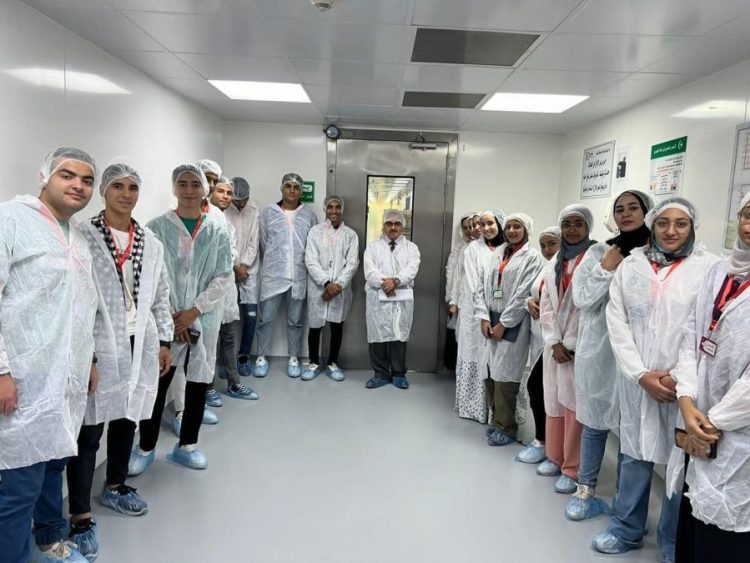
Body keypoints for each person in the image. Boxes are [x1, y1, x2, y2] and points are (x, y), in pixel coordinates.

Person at [592, 197, 719, 563]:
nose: (671, 231)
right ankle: (627, 528)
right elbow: (617, 322)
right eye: (663, 223)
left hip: (685, 387)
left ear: (692, 227)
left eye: (681, 223)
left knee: (680, 466)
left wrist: (680, 379)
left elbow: (706, 329)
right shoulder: (631, 266)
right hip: (638, 382)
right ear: (652, 225)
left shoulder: (710, 268)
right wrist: (640, 374)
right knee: (634, 454)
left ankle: (672, 542)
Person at [66, 164, 174, 560]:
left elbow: (160, 295)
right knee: (89, 428)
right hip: (97, 342)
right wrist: (89, 356)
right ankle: (80, 514)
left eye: (132, 187)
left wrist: (164, 340)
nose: (126, 194)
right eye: (117, 186)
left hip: (138, 341)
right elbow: (76, 299)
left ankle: (114, 485)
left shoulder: (150, 242)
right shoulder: (83, 236)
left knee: (128, 416)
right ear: (104, 192)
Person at [0, 147, 99, 563]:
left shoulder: (77, 237)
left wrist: (90, 361)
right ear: (45, 176)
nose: (78, 186)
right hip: (23, 380)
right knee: (18, 485)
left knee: (54, 464)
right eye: (67, 175)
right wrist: (1, 372)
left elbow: (85, 305)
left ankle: (50, 539)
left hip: (65, 380)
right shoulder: (11, 219)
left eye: (87, 180)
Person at [128, 164, 232, 473]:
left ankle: (187, 445)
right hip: (167, 321)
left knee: (198, 383)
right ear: (174, 188)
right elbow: (151, 277)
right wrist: (174, 319)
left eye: (195, 184)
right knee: (158, 384)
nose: (188, 190)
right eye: (182, 184)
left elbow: (223, 276)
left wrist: (193, 312)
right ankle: (145, 447)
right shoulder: (156, 228)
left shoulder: (216, 230)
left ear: (205, 190)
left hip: (204, 318)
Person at [669, 192, 750, 563]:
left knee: (727, 532)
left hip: (735, 431)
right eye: (747, 213)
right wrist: (687, 403)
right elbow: (691, 337)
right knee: (693, 522)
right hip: (697, 420)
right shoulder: (718, 272)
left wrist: (712, 420)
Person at [565, 190, 654, 521]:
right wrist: (605, 269)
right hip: (600, 350)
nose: (626, 214)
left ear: (647, 211)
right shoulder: (600, 252)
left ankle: (624, 503)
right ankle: (585, 490)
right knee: (595, 421)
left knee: (633, 430)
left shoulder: (655, 255)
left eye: (633, 208)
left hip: (639, 353)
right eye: (620, 209)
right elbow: (582, 299)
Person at [538, 204, 595, 494]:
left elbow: (587, 306)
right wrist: (553, 340)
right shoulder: (555, 261)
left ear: (588, 227)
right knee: (554, 400)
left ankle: (572, 468)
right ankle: (554, 456)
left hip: (578, 346)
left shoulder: (595, 258)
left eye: (578, 224)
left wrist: (568, 343)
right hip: (555, 345)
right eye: (567, 224)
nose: (572, 229)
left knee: (573, 405)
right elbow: (546, 302)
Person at [476, 213, 544, 445]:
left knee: (506, 376)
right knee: (489, 372)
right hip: (490, 321)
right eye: (509, 227)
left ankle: (506, 428)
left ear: (527, 230)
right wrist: (483, 317)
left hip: (513, 324)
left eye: (518, 227)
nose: (512, 231)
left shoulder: (532, 257)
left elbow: (523, 294)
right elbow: (481, 286)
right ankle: (496, 421)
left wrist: (504, 324)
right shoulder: (498, 253)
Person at [253, 173, 318, 378]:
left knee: (295, 321)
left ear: (301, 191)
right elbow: (264, 243)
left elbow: (312, 246)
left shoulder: (309, 216)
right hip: (273, 275)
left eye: (296, 187)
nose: (292, 190)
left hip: (299, 276)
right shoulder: (268, 213)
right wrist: (277, 263)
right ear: (281, 188)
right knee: (265, 319)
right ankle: (261, 356)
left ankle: (293, 357)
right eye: (288, 186)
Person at [206, 177, 257, 400]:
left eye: (229, 193)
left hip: (226, 288)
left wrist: (237, 265)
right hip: (207, 291)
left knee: (227, 337)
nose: (226, 196)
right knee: (209, 341)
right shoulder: (204, 218)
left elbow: (232, 251)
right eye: (221, 191)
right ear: (210, 191)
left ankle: (234, 384)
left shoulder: (224, 220)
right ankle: (206, 388)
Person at [454, 210, 505, 422]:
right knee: (475, 353)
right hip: (476, 313)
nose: (484, 228)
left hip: (501, 311)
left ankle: (497, 412)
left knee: (496, 358)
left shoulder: (507, 248)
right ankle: (474, 408)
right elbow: (474, 285)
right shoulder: (473, 249)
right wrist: (484, 312)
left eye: (490, 223)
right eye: (481, 224)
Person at [516, 226, 561, 464]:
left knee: (541, 389)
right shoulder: (548, 267)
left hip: (558, 342)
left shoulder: (565, 268)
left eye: (552, 244)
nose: (547, 250)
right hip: (541, 338)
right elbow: (536, 294)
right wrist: (529, 302)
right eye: (543, 245)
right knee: (540, 390)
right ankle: (543, 442)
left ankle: (549, 446)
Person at [303, 195, 359, 381]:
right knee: (315, 326)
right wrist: (327, 284)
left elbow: (352, 263)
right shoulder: (315, 232)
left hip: (340, 290)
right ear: (325, 209)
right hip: (319, 287)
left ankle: (332, 363)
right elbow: (310, 260)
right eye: (330, 207)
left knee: (337, 326)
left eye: (337, 207)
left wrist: (338, 285)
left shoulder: (350, 235)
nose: (333, 210)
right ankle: (313, 362)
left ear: (342, 210)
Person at [363, 210, 421, 389]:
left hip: (401, 298)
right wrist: (385, 284)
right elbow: (369, 271)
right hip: (377, 297)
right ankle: (380, 374)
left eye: (397, 223)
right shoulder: (373, 247)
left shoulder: (411, 248)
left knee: (399, 335)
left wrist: (395, 281)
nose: (393, 227)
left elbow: (412, 268)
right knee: (377, 336)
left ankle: (398, 374)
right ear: (383, 226)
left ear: (403, 226)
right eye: (389, 223)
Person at [224, 177, 260, 377]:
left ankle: (244, 356)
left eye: (243, 200)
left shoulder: (254, 210)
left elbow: (255, 241)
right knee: (225, 317)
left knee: (250, 316)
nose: (240, 204)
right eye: (237, 201)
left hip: (248, 271)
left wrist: (243, 266)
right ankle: (225, 360)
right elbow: (223, 242)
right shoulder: (223, 210)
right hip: (227, 271)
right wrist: (234, 267)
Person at [444, 213, 474, 370]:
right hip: (457, 298)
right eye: (466, 227)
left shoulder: (480, 248)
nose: (469, 230)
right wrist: (450, 298)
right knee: (457, 333)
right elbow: (453, 274)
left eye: (472, 226)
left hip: (472, 300)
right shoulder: (460, 247)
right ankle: (455, 367)